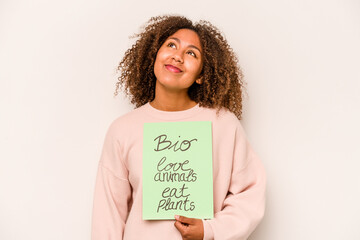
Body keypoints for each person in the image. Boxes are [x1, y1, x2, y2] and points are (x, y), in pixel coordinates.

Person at [91, 15, 266, 240]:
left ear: (202, 74)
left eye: (192, 53)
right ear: (154, 55)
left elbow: (250, 194)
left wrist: (210, 230)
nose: (178, 56)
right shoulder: (123, 130)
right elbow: (108, 216)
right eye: (171, 45)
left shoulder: (223, 124)